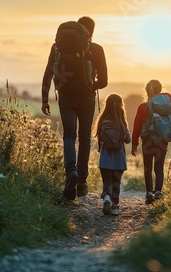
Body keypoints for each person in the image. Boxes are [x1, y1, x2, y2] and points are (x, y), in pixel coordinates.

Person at [41, 16, 108, 200]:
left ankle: (70, 171)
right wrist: (90, 86)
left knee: (69, 135)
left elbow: (48, 72)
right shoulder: (97, 49)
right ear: (91, 32)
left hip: (65, 97)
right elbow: (104, 81)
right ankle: (82, 182)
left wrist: (44, 100)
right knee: (85, 137)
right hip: (86, 99)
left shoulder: (57, 48)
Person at [131, 80, 171, 204]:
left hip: (147, 140)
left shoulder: (143, 106)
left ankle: (149, 193)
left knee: (147, 168)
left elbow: (137, 126)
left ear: (147, 90)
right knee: (159, 168)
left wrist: (134, 144)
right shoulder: (166, 105)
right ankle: (158, 192)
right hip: (162, 140)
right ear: (160, 90)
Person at [93, 94, 131, 215]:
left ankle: (107, 198)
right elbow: (128, 140)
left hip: (105, 159)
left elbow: (99, 139)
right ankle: (114, 206)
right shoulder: (121, 122)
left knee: (107, 182)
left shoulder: (103, 120)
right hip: (119, 160)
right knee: (116, 183)